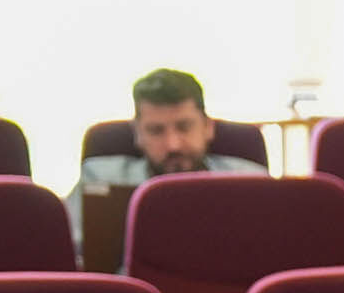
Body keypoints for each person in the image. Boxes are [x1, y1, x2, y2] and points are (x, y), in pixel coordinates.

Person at [67, 69, 264, 263]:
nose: (173, 145)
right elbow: (71, 253)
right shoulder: (99, 179)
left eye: (184, 127)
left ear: (208, 127)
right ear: (137, 133)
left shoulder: (252, 181)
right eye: (156, 131)